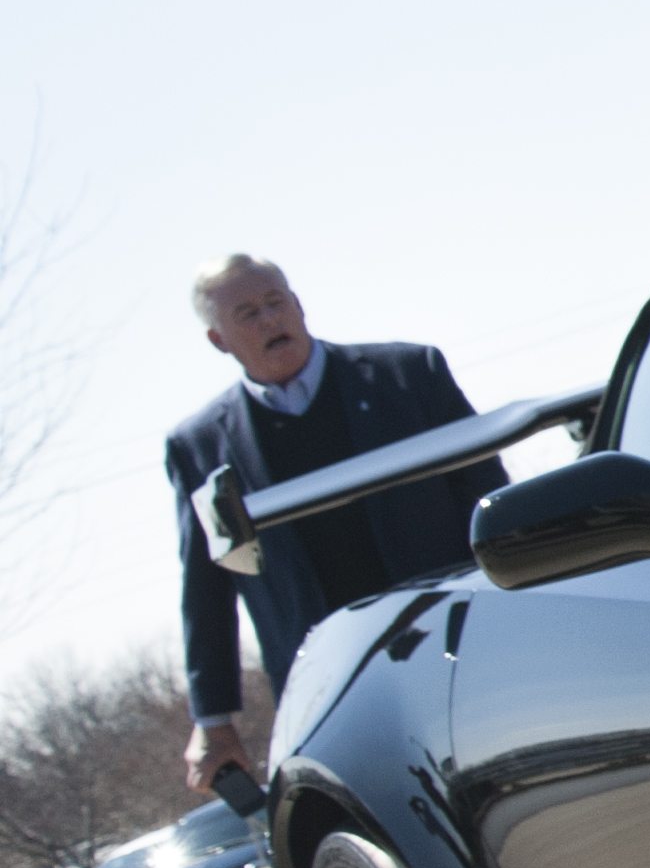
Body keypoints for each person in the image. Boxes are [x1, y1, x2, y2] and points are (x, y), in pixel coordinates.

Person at [166, 256, 501, 795]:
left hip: (458, 650)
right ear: (218, 339)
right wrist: (213, 721)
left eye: (277, 302)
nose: (270, 320)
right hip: (329, 686)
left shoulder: (409, 375)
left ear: (298, 304)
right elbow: (205, 589)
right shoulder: (199, 446)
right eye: (248, 313)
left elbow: (493, 501)